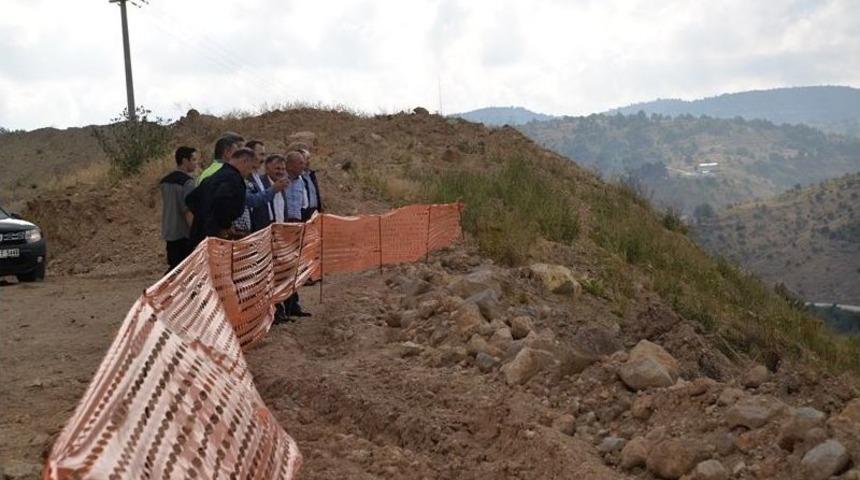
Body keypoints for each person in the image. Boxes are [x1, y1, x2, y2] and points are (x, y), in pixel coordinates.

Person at [186, 147, 258, 247]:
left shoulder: (215, 176)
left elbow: (191, 200)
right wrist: (225, 226)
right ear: (244, 161)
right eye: (252, 167)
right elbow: (222, 204)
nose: (251, 172)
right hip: (216, 241)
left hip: (200, 237)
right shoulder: (234, 179)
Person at [281, 150, 312, 318]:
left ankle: (294, 304)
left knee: (295, 267)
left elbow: (304, 206)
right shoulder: (280, 180)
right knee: (283, 268)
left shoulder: (301, 182)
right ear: (290, 164)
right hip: (282, 227)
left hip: (296, 227)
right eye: (300, 163)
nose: (303, 166)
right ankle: (283, 306)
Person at [159, 146, 198, 270]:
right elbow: (187, 211)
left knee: (174, 269)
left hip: (170, 232)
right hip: (184, 234)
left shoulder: (165, 182)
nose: (196, 163)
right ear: (185, 160)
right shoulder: (188, 183)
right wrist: (195, 233)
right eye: (193, 159)